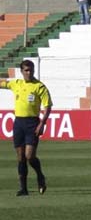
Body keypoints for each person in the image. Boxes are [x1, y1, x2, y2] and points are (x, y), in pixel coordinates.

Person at [0, 60, 52, 196]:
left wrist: (42, 123)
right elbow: (2, 83)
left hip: (32, 123)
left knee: (30, 156)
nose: (29, 73)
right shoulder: (16, 84)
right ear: (22, 71)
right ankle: (23, 188)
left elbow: (47, 106)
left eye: (31, 70)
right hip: (18, 123)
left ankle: (40, 176)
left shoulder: (39, 87)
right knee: (20, 157)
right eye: (27, 70)